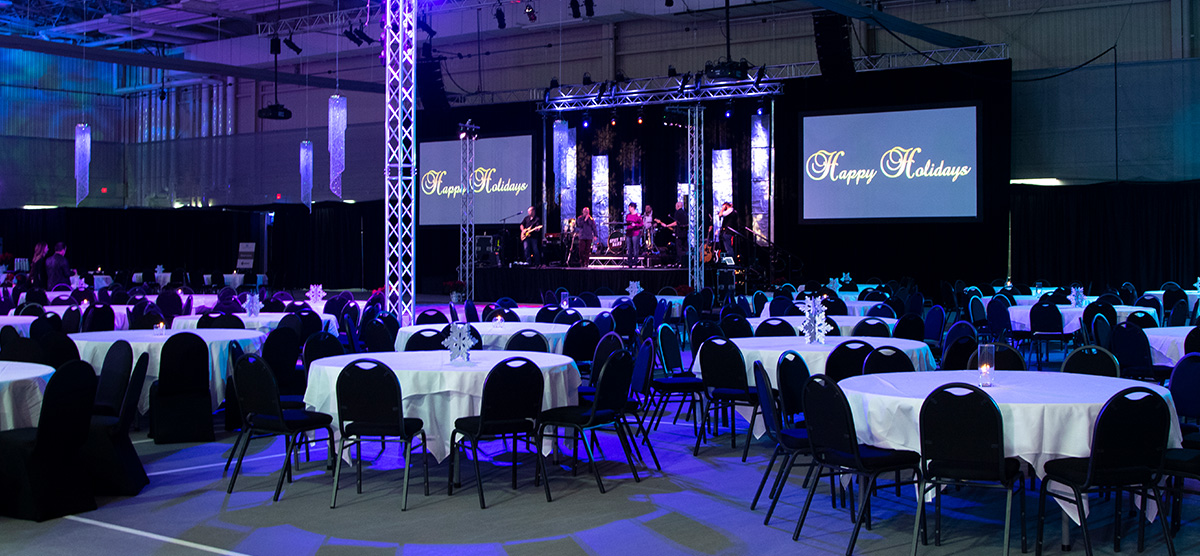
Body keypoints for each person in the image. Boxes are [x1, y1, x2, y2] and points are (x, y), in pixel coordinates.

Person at [665, 200, 688, 267]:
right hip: (685, 233)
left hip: (679, 233)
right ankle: (687, 262)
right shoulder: (685, 213)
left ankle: (681, 262)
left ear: (678, 206)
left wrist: (667, 225)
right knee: (686, 248)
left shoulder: (677, 213)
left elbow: (676, 223)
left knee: (679, 249)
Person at [624, 203, 643, 267]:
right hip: (629, 233)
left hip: (635, 233)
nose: (629, 209)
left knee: (635, 248)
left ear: (633, 208)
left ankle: (635, 262)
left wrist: (635, 225)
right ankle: (629, 263)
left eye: (630, 207)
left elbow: (641, 224)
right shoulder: (628, 215)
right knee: (629, 248)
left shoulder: (638, 215)